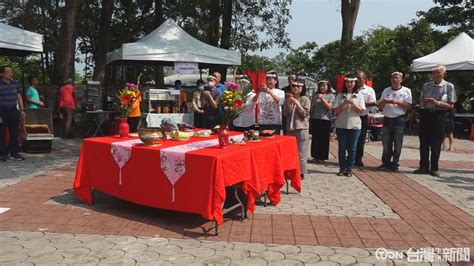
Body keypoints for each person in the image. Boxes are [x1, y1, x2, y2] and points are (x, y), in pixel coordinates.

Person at [414, 64, 456, 177]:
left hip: (440, 115)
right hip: (427, 115)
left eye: (438, 72)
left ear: (444, 74)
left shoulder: (449, 86)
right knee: (424, 142)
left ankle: (434, 168)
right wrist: (423, 103)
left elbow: (451, 105)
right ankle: (423, 166)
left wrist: (436, 102)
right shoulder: (426, 85)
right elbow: (421, 102)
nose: (436, 74)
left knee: (436, 142)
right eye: (434, 72)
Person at [378, 72, 412, 172]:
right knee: (386, 143)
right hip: (387, 118)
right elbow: (380, 106)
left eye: (397, 78)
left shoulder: (406, 91)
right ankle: (385, 163)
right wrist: (384, 102)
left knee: (397, 143)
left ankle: (395, 163)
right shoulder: (386, 90)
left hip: (399, 119)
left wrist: (397, 102)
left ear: (401, 80)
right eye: (393, 78)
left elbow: (409, 106)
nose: (394, 80)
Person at [333, 74, 366, 176]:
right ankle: (342, 169)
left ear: (355, 83)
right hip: (341, 125)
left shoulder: (359, 95)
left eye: (352, 82)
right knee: (342, 148)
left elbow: (361, 110)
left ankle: (349, 169)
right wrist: (344, 103)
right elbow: (335, 110)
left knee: (352, 148)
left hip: (355, 125)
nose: (349, 84)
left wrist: (353, 104)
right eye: (347, 82)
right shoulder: (339, 95)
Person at [282, 80, 310, 180]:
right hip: (290, 129)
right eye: (294, 86)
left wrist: (297, 103)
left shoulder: (305, 99)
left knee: (301, 152)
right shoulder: (289, 99)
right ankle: (290, 170)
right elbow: (285, 114)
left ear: (302, 88)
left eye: (298, 86)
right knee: (290, 152)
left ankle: (301, 172)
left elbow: (305, 114)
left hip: (301, 128)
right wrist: (289, 104)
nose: (295, 88)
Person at [0, 65, 26, 161]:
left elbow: (19, 97)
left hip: (13, 110)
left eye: (11, 72)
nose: (10, 74)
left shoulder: (15, 83)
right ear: (2, 73)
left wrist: (22, 110)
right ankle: (2, 153)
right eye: (8, 72)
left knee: (14, 132)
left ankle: (14, 153)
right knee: (1, 133)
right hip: (2, 111)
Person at [354, 71, 376, 167]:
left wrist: (361, 102)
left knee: (361, 138)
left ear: (364, 79)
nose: (358, 80)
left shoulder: (369, 90)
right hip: (351, 116)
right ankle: (350, 156)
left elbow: (373, 103)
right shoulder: (351, 89)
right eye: (357, 78)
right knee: (351, 138)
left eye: (360, 78)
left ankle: (358, 158)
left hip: (362, 116)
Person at [310, 80, 335, 163]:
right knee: (315, 138)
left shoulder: (331, 95)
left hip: (325, 119)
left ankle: (322, 157)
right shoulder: (315, 95)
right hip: (315, 118)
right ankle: (315, 156)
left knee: (324, 139)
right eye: (321, 86)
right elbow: (311, 106)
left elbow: (329, 107)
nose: (322, 87)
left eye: (324, 86)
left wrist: (322, 98)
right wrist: (315, 99)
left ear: (328, 86)